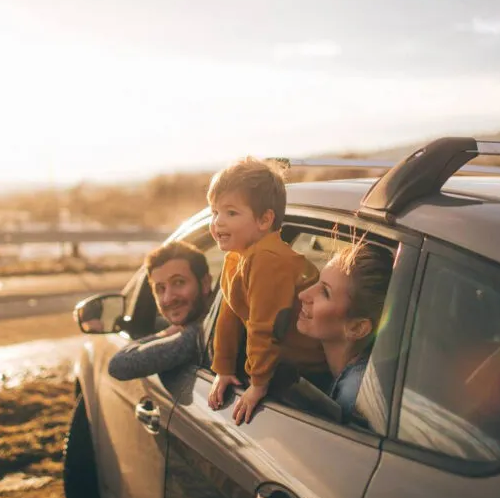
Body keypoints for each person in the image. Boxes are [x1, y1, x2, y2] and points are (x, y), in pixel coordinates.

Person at [206, 157, 327, 425]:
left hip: (310, 371)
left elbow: (266, 326)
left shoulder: (267, 259)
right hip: (285, 365)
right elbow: (230, 314)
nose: (218, 223)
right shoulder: (238, 257)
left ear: (264, 220)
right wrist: (223, 369)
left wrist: (258, 384)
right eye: (214, 212)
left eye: (231, 213)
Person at [296, 241, 393, 422]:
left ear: (356, 328)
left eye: (325, 292)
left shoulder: (353, 398)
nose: (304, 294)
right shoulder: (365, 374)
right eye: (317, 282)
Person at [107, 241, 214, 380]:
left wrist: (167, 333)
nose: (168, 298)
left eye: (179, 282)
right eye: (160, 289)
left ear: (205, 283)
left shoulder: (202, 333)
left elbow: (118, 365)